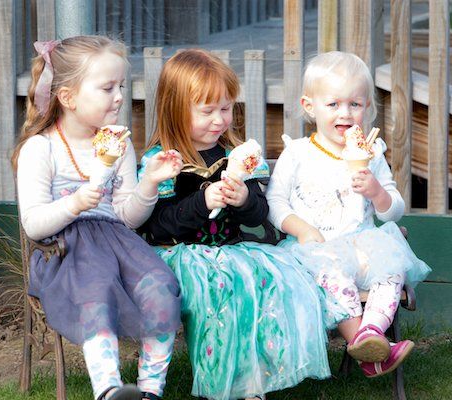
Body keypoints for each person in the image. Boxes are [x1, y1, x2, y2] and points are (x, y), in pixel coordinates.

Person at [138, 49, 347, 400]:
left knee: (267, 282)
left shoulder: (235, 154)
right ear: (175, 110)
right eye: (207, 111)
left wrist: (244, 199)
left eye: (225, 108)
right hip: (179, 256)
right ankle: (221, 379)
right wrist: (202, 202)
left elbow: (259, 215)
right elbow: (157, 225)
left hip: (233, 250)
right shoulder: (163, 161)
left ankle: (253, 382)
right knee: (220, 288)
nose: (219, 120)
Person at [12, 36, 183, 400]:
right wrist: (75, 204)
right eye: (107, 88)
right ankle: (108, 390)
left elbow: (127, 217)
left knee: (160, 286)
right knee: (96, 289)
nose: (119, 97)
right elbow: (34, 224)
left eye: (121, 87)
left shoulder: (117, 144)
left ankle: (150, 390)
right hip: (63, 253)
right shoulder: (41, 149)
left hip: (118, 246)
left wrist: (149, 183)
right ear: (68, 97)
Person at [266, 51, 431, 378]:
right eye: (333, 104)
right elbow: (275, 201)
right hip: (315, 251)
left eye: (355, 104)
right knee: (333, 277)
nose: (345, 113)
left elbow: (393, 211)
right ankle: (368, 349)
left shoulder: (372, 154)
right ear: (309, 106)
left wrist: (377, 192)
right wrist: (300, 228)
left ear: (367, 107)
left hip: (363, 245)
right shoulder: (298, 153)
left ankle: (372, 331)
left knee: (392, 270)